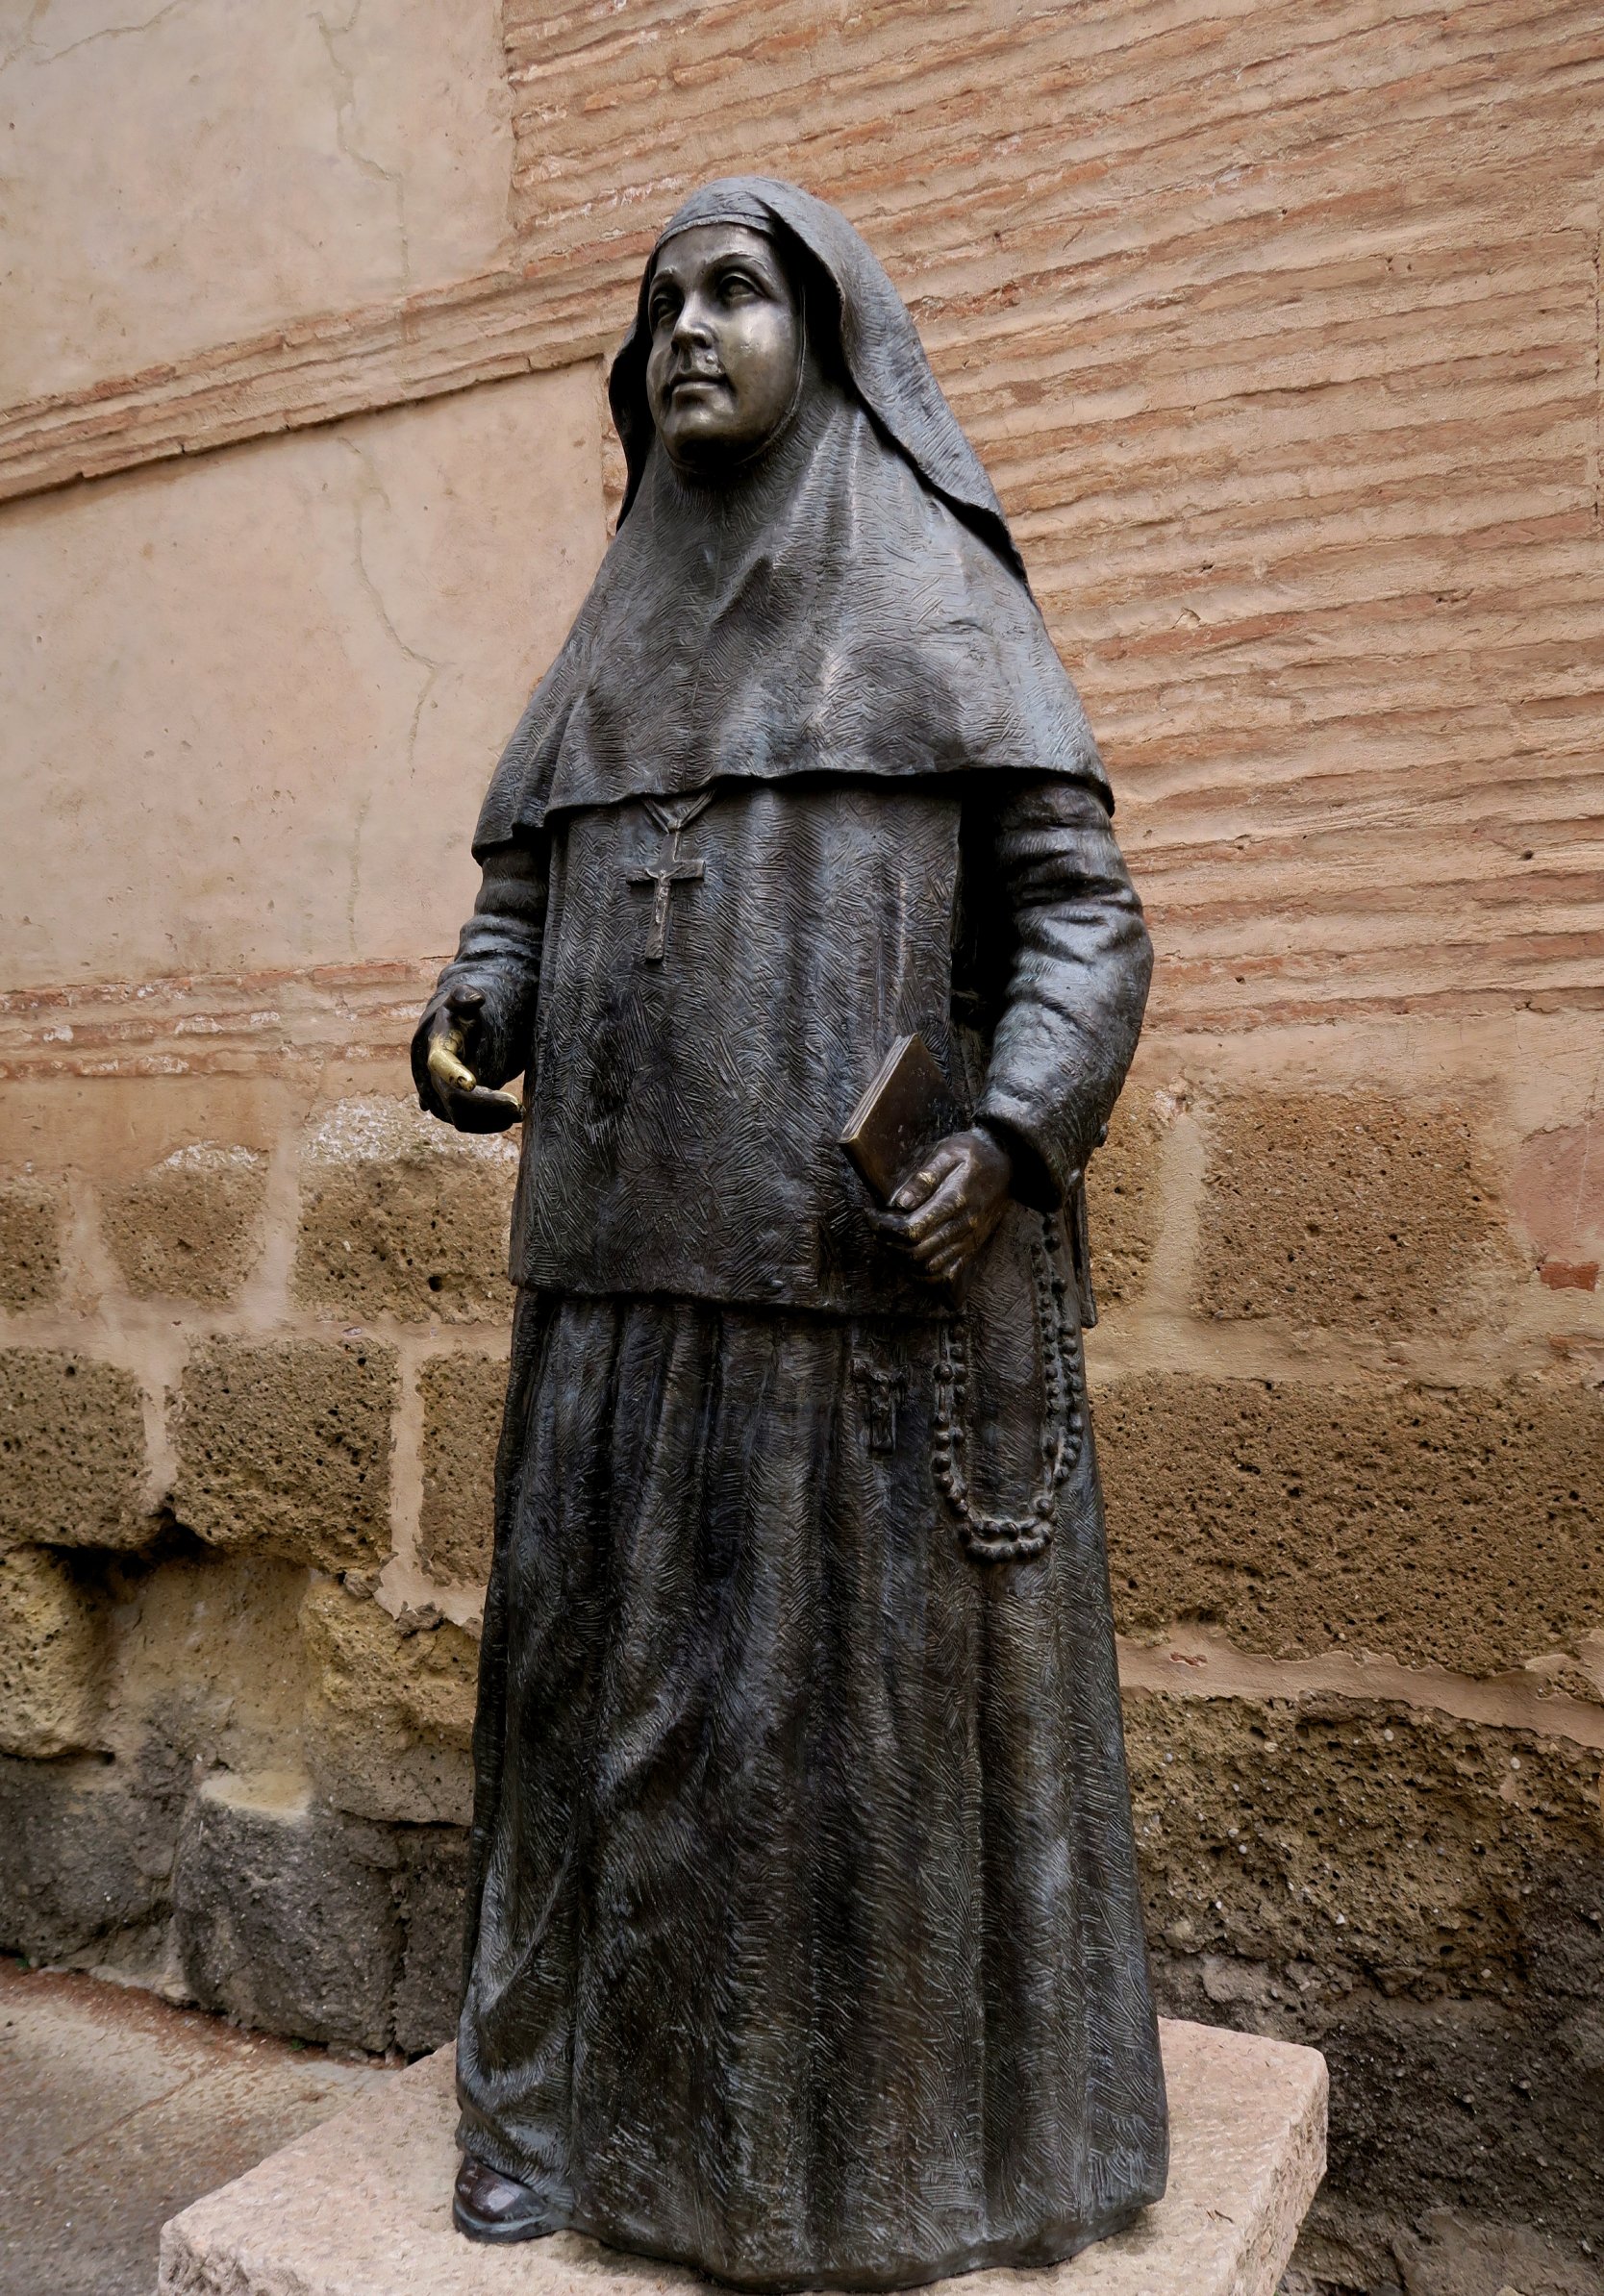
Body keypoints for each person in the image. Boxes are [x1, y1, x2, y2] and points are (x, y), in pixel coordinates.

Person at [413, 176, 1165, 2292]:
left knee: (815, 1755)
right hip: (608, 1287)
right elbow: (520, 897)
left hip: (846, 1296)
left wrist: (1011, 1136)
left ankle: (841, 2173)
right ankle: (547, 2122)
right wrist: (478, 1008)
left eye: (737, 291)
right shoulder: (611, 625)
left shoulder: (937, 596)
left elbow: (1083, 919)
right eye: (663, 298)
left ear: (830, 338)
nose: (687, 327)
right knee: (574, 1714)